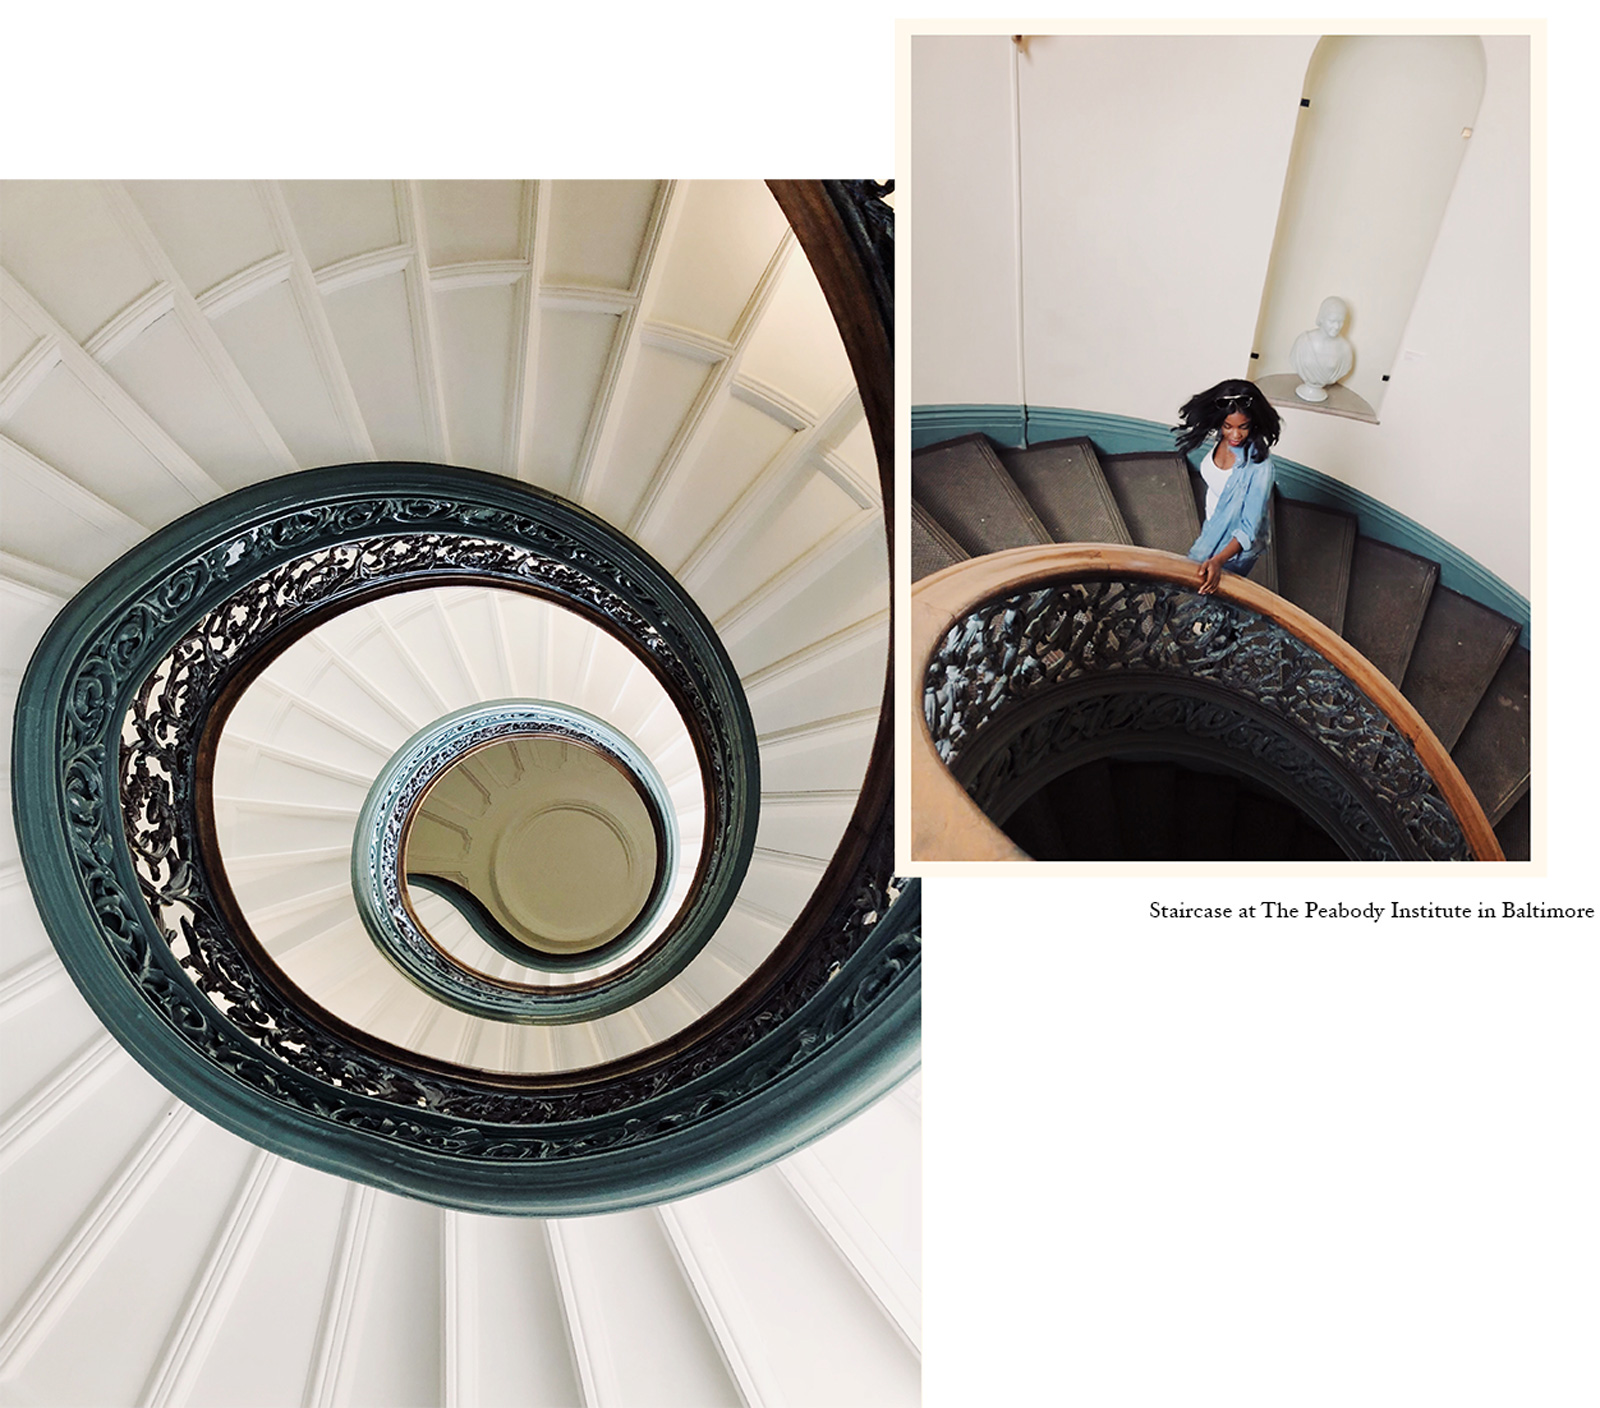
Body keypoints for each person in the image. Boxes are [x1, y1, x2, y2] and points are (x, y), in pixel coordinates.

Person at [1173, 379, 1281, 595]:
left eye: (1243, 427)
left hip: (1235, 549)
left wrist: (1219, 560)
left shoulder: (1260, 467)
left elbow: (1248, 530)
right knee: (1202, 587)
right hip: (1213, 526)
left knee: (1221, 595)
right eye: (1227, 426)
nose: (1235, 435)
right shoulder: (1222, 440)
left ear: (1254, 423)